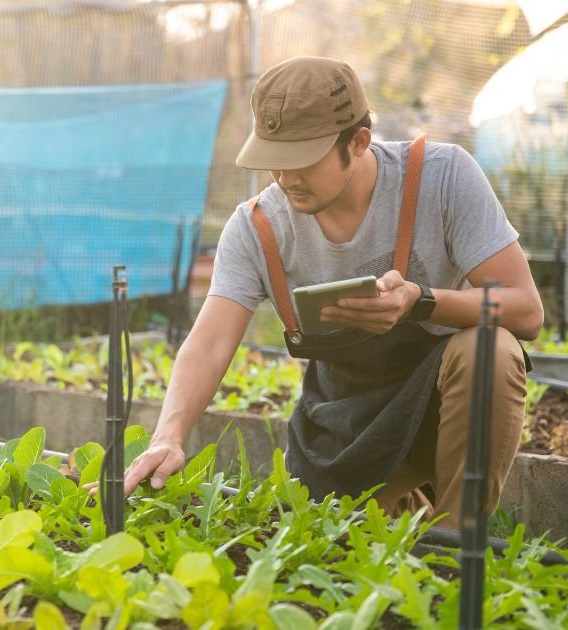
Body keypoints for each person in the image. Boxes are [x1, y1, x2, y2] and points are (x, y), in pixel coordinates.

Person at [123, 56, 544, 528]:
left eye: (301, 160)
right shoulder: (258, 227)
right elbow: (209, 342)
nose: (286, 179)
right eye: (274, 162)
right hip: (343, 433)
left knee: (490, 349)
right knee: (347, 555)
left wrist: (421, 301)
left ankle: (455, 547)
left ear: (359, 141)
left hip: (441, 406)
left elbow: (526, 310)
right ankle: (402, 509)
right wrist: (168, 435)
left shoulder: (442, 177)